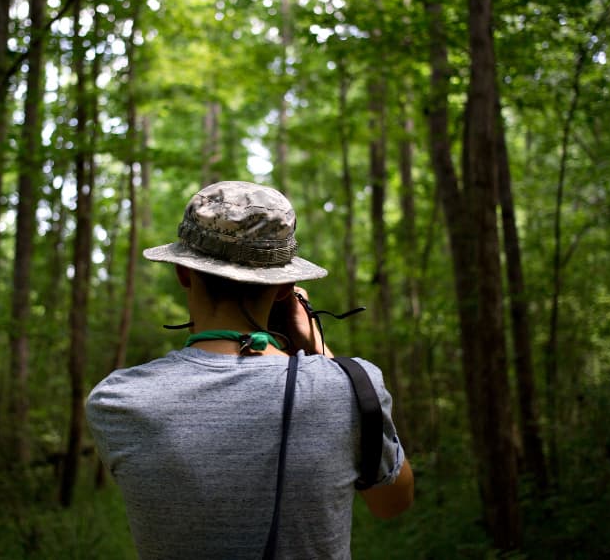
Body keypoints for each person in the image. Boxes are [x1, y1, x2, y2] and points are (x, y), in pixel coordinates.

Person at [86, 181, 413, 559]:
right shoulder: (350, 387)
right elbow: (393, 503)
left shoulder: (118, 401)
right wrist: (317, 347)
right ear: (284, 286)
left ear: (182, 272)